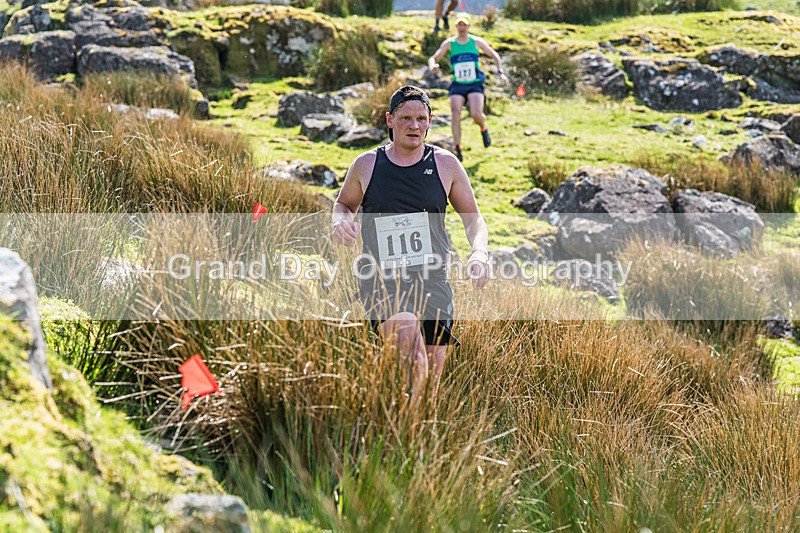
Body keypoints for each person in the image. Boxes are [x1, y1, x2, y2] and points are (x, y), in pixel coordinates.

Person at [331, 85, 489, 395]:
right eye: (405, 118)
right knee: (415, 360)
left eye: (420, 118)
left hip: (433, 281)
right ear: (390, 120)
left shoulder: (446, 165)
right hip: (381, 279)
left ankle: (414, 437)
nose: (413, 126)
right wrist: (340, 222)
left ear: (431, 120)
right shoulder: (367, 164)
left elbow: (474, 218)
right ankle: (403, 434)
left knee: (429, 383)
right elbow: (344, 204)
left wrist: (479, 252)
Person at [427, 12, 509, 162]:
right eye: (459, 24)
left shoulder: (476, 42)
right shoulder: (449, 43)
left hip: (474, 83)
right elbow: (433, 57)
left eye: (465, 24)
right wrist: (433, 66)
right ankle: (458, 148)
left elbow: (495, 56)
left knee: (476, 114)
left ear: (469, 26)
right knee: (455, 112)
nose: (462, 27)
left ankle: (483, 128)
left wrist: (501, 73)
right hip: (458, 84)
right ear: (456, 26)